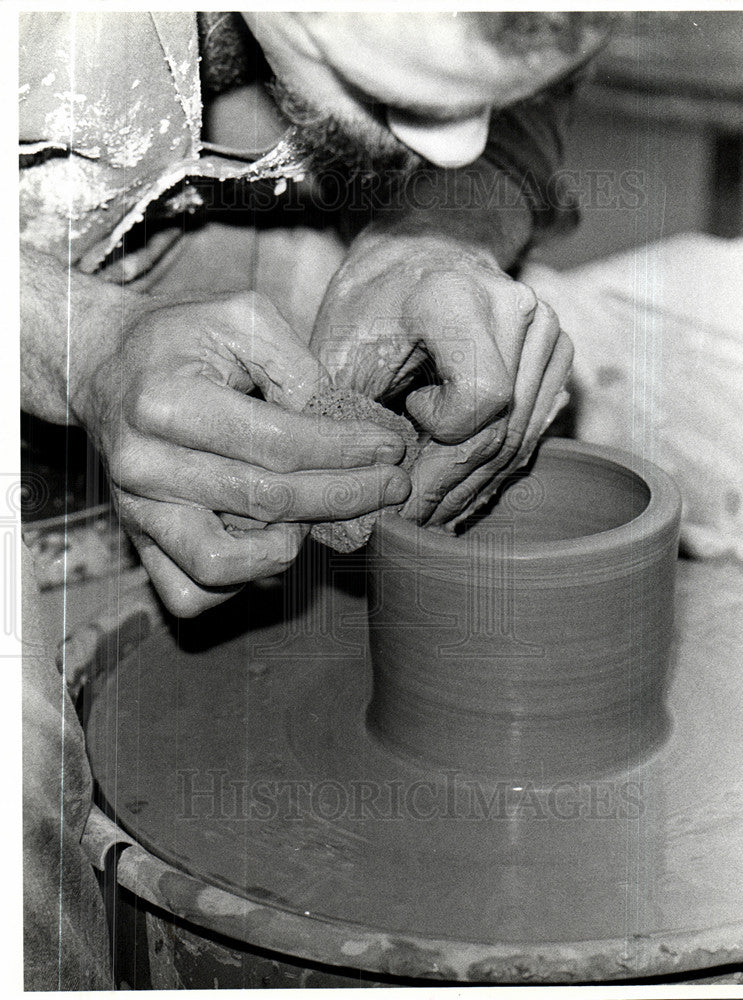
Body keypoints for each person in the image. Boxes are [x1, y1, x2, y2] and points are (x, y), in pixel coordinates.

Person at [19, 11, 608, 988]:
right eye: (416, 99)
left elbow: (507, 120)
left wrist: (441, 224)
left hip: (248, 239)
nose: (451, 139)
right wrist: (80, 345)